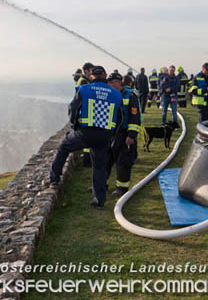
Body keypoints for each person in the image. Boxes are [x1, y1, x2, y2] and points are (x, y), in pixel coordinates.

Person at [49, 66, 122, 210]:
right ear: (105, 76)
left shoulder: (84, 89)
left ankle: (54, 180)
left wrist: (75, 126)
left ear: (92, 76)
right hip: (104, 136)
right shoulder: (116, 94)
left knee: (63, 147)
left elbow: (73, 109)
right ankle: (99, 201)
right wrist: (112, 135)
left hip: (84, 133)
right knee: (99, 167)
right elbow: (120, 118)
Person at [106, 73, 141, 197]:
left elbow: (135, 117)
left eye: (111, 83)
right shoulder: (109, 95)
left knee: (123, 162)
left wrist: (131, 135)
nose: (109, 85)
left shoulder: (130, 96)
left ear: (118, 82)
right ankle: (101, 184)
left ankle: (122, 188)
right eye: (108, 83)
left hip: (125, 134)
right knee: (105, 160)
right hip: (111, 133)